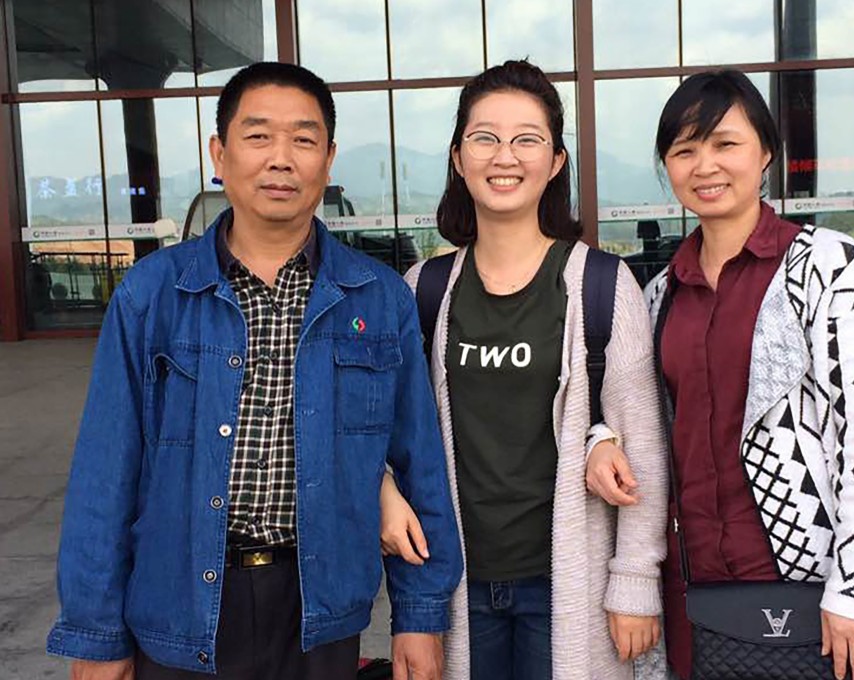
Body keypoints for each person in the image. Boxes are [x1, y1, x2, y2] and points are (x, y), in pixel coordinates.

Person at [46, 62, 462, 680]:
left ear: (328, 159)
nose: (281, 159)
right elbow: (105, 477)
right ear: (220, 154)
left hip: (319, 610)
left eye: (303, 139)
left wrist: (420, 615)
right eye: (259, 135)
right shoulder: (152, 295)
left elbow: (421, 463)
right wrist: (97, 635)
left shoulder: (378, 299)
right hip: (178, 605)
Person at [591, 70, 854, 680]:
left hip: (814, 585)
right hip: (695, 584)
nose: (705, 166)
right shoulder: (659, 294)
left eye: (725, 143)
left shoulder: (830, 269)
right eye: (684, 150)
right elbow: (633, 411)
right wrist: (603, 439)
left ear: (766, 153)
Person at [377, 60, 668, 680]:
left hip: (567, 583)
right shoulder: (423, 289)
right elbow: (385, 431)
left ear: (556, 161)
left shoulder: (601, 285)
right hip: (458, 582)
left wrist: (635, 580)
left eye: (527, 139)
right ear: (458, 158)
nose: (504, 156)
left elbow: (641, 442)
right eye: (485, 137)